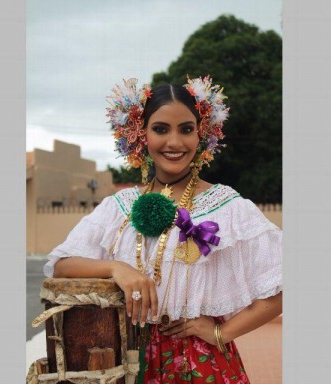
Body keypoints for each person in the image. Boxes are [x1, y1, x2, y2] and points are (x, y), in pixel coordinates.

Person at [44, 76, 282, 383]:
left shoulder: (228, 206)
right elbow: (62, 265)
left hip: (197, 364)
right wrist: (116, 268)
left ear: (202, 134)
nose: (174, 142)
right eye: (160, 129)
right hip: (125, 359)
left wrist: (221, 332)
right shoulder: (119, 205)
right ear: (140, 134)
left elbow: (281, 286)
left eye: (186, 129)